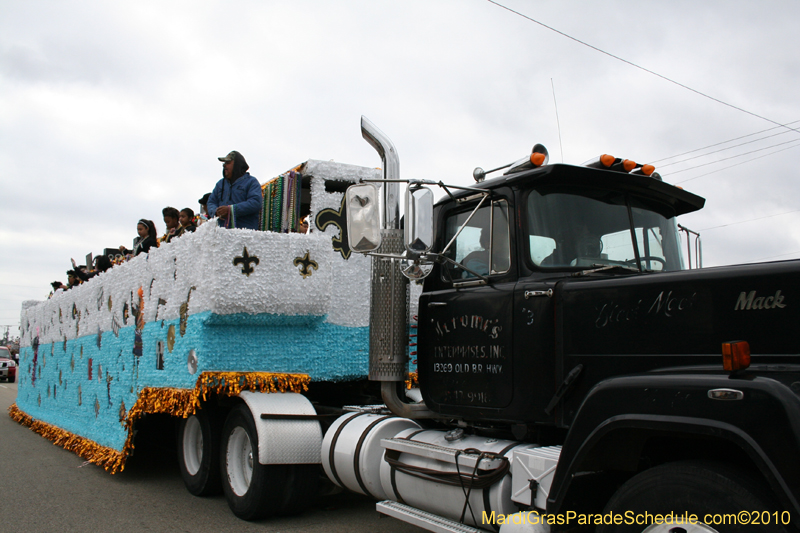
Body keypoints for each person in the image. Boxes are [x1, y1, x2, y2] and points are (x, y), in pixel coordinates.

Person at [207, 151, 262, 230]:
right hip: (222, 233)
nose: (224, 165)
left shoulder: (251, 182)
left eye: (228, 162)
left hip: (245, 234)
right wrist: (216, 211)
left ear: (237, 165)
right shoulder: (220, 184)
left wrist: (231, 210)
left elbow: (255, 202)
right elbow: (211, 202)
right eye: (224, 163)